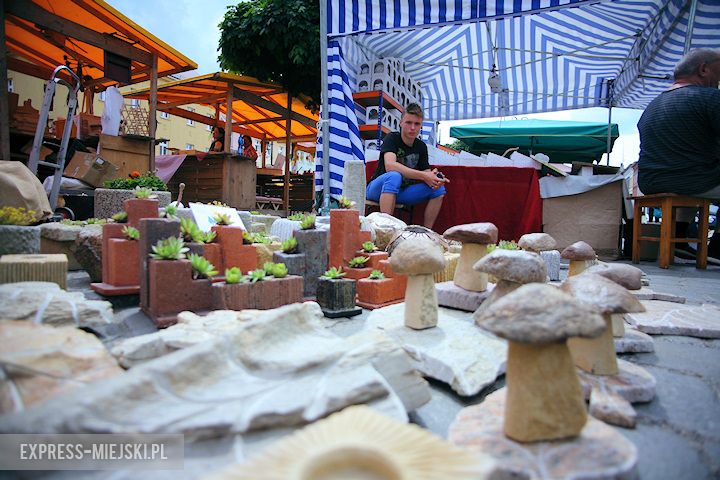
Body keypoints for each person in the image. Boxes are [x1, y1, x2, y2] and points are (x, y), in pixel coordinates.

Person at [637, 48, 720, 261]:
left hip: (651, 181)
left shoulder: (653, 105)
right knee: (697, 175)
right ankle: (718, 246)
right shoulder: (710, 97)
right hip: (691, 180)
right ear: (704, 69)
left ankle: (680, 236)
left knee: (692, 172)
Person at [366, 102, 449, 229]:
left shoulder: (421, 146)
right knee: (394, 176)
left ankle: (427, 232)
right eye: (409, 123)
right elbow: (390, 165)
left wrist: (435, 177)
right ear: (401, 123)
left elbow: (427, 172)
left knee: (438, 188)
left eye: (417, 124)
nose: (412, 128)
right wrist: (424, 175)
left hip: (401, 191)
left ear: (421, 126)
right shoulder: (392, 138)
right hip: (378, 188)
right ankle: (385, 230)